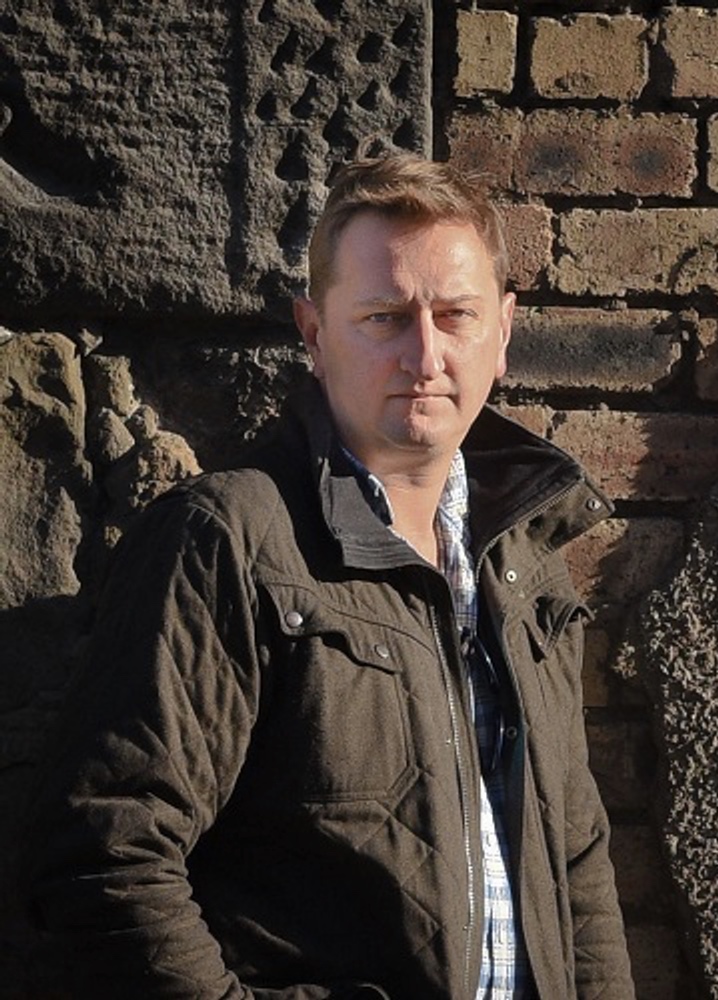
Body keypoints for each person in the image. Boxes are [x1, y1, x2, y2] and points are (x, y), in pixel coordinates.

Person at [22, 154, 636, 999]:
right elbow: (105, 850)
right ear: (313, 334)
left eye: (455, 316)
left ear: (503, 332)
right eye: (385, 318)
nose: (425, 355)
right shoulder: (231, 539)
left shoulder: (528, 566)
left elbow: (578, 870)